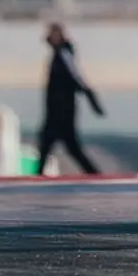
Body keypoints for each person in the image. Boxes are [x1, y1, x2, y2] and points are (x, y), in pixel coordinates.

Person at [37, 23, 104, 175]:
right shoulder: (58, 53)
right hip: (55, 108)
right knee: (51, 143)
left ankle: (94, 174)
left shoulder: (64, 53)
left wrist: (92, 99)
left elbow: (76, 77)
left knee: (64, 144)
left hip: (63, 109)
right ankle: (93, 174)